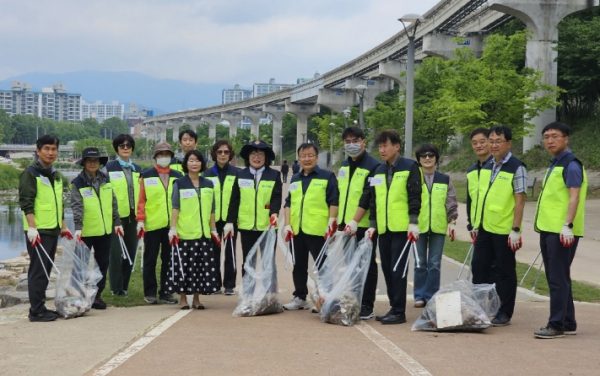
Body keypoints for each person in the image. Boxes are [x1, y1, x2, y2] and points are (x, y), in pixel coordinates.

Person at [533, 122, 587, 339]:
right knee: (559, 276)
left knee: (557, 278)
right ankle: (567, 321)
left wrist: (567, 226)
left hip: (561, 230)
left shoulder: (570, 165)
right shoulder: (555, 163)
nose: (550, 140)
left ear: (566, 139)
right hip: (549, 227)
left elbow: (574, 197)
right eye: (546, 136)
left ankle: (556, 324)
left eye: (555, 136)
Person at [471, 125, 527, 327]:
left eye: (498, 141)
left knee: (504, 271)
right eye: (491, 141)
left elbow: (520, 201)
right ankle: (481, 307)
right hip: (486, 226)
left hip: (504, 230)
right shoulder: (488, 166)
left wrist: (516, 229)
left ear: (509, 143)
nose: (493, 145)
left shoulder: (516, 167)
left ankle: (504, 311)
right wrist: (476, 224)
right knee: (479, 266)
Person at [367, 130, 421, 325]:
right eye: (380, 146)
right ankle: (393, 307)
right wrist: (372, 225)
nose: (382, 150)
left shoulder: (410, 167)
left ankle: (399, 311)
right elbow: (374, 200)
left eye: (385, 146)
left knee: (398, 270)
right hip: (384, 229)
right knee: (388, 270)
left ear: (396, 147)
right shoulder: (378, 170)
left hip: (401, 228)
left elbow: (415, 195)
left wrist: (413, 222)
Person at [19, 135, 73, 322]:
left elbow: (59, 204)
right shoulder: (31, 173)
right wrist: (32, 228)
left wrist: (64, 227)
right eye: (47, 149)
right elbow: (27, 202)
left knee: (46, 269)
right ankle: (36, 311)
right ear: (38, 150)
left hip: (52, 229)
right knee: (38, 271)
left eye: (54, 149)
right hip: (39, 232)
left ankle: (40, 307)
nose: (51, 153)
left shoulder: (55, 175)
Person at [283, 143, 339, 310]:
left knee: (322, 265)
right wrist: (287, 225)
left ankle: (324, 297)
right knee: (298, 265)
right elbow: (289, 203)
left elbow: (333, 200)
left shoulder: (327, 176)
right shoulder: (295, 178)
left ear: (316, 157)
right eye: (303, 156)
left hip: (317, 229)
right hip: (297, 229)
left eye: (310, 155)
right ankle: (300, 297)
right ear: (298, 158)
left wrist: (332, 220)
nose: (306, 159)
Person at [168, 150, 222, 309]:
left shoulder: (208, 184)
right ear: (186, 163)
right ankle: (183, 298)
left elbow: (212, 209)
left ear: (202, 164)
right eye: (191, 160)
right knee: (183, 267)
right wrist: (173, 228)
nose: (194, 163)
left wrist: (213, 229)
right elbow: (175, 207)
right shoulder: (179, 183)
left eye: (197, 160)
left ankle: (197, 299)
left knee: (200, 267)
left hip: (203, 233)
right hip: (185, 233)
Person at [71, 147, 122, 310]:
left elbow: (113, 203)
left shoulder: (106, 179)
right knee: (80, 265)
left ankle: (96, 295)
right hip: (86, 232)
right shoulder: (78, 183)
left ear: (99, 163)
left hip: (105, 231)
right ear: (84, 163)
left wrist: (117, 223)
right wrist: (78, 227)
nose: (93, 163)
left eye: (95, 161)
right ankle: (77, 297)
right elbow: (77, 206)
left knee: (102, 264)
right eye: (89, 161)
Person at [225, 140, 282, 282]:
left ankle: (269, 297)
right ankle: (248, 297)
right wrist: (230, 222)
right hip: (246, 226)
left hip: (267, 227)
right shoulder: (241, 174)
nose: (257, 157)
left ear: (266, 157)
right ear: (248, 157)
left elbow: (276, 197)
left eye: (261, 154)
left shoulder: (274, 175)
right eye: (253, 153)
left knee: (268, 263)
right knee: (248, 261)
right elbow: (234, 200)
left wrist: (274, 213)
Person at [338, 126, 381, 320]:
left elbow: (367, 196)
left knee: (367, 264)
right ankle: (355, 298)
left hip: (363, 225)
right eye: (347, 142)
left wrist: (355, 221)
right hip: (346, 224)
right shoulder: (344, 165)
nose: (351, 145)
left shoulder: (373, 165)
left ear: (363, 142)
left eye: (355, 141)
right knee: (350, 264)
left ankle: (367, 305)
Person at [136, 142, 183, 304]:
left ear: (171, 156)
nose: (164, 157)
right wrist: (140, 220)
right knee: (150, 259)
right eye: (161, 154)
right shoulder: (146, 175)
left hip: (171, 225)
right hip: (152, 224)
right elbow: (141, 199)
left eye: (167, 154)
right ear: (155, 157)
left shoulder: (178, 176)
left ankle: (166, 291)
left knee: (169, 259)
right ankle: (149, 292)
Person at [413, 143, 458, 307]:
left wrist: (452, 221)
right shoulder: (414, 178)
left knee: (434, 263)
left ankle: (431, 295)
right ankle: (418, 295)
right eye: (423, 156)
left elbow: (451, 201)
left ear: (436, 158)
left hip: (438, 226)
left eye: (431, 155)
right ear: (418, 159)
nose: (427, 158)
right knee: (420, 263)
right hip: (418, 226)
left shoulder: (444, 179)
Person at [105, 134, 141, 297]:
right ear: (117, 148)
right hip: (115, 218)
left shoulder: (138, 170)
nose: (125, 148)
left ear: (132, 148)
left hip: (133, 217)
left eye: (128, 145)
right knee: (116, 253)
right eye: (122, 146)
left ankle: (124, 287)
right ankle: (116, 287)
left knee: (131, 252)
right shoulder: (108, 168)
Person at [203, 140, 239, 295]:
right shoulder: (207, 174)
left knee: (230, 252)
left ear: (230, 154)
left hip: (231, 220)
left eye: (226, 152)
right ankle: (214, 284)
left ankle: (229, 284)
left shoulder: (237, 173)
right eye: (219, 152)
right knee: (213, 252)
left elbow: (238, 198)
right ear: (214, 154)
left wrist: (232, 219)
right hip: (213, 220)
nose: (223, 154)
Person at [466, 128, 492, 242]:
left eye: (482, 142)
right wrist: (471, 224)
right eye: (475, 143)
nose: (478, 146)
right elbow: (470, 200)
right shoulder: (471, 171)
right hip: (477, 227)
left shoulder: (498, 168)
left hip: (495, 228)